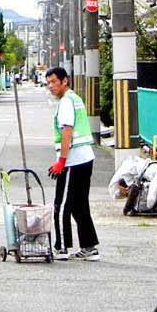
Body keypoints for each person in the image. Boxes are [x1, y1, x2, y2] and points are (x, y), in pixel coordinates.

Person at [43, 66, 99, 261]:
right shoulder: (76, 98)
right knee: (79, 204)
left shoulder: (66, 101)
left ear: (65, 81)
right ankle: (89, 247)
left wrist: (61, 161)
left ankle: (61, 247)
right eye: (48, 82)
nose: (51, 86)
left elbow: (67, 132)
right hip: (85, 158)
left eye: (54, 82)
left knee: (62, 204)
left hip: (73, 160)